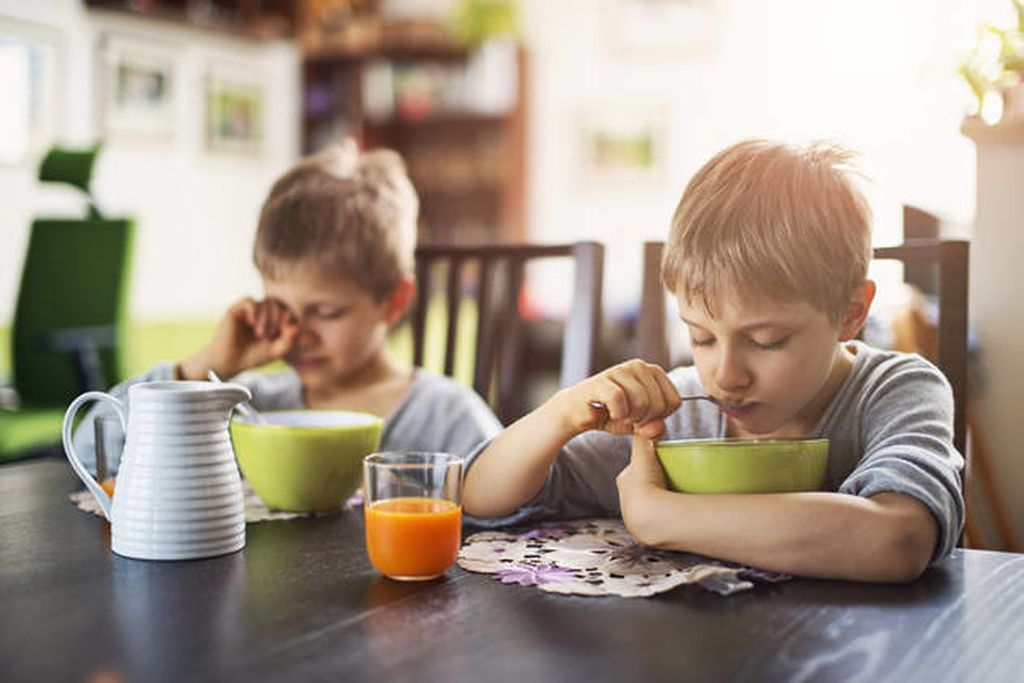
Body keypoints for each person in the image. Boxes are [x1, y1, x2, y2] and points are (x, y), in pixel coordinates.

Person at [462, 139, 964, 583]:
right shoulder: (680, 415)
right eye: (701, 337)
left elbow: (897, 540)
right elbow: (481, 495)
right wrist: (562, 413)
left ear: (851, 313)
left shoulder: (896, 391)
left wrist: (661, 517)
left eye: (766, 341)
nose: (725, 376)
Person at [74, 139, 501, 472]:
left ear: (393, 302)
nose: (298, 332)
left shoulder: (447, 418)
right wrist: (204, 369)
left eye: (327, 312)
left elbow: (519, 509)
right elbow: (93, 453)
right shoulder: (249, 406)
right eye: (281, 307)